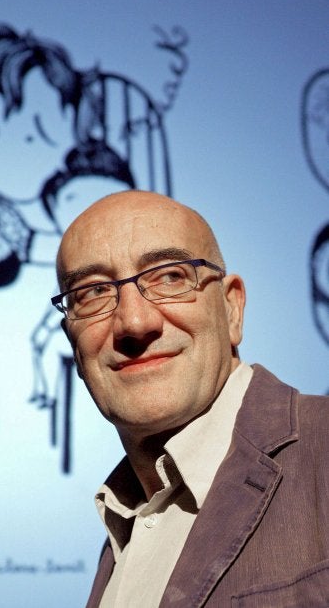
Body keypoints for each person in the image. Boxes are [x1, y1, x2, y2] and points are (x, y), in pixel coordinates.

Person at [51, 189, 329, 607]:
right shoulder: (126, 526)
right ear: (72, 341)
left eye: (169, 277)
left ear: (232, 309)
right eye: (92, 293)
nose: (134, 322)